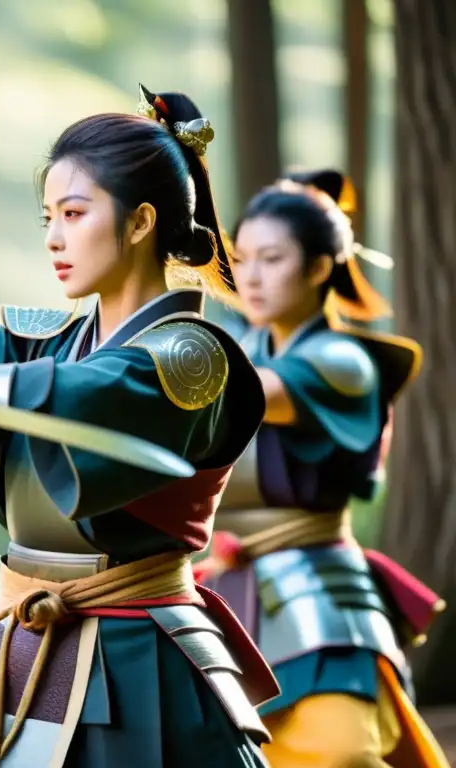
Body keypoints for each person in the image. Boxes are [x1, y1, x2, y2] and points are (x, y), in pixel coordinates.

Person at [0, 84, 279, 768]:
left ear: (138, 223)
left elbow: (91, 397)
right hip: (18, 641)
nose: (53, 238)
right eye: (48, 216)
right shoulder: (49, 343)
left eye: (74, 214)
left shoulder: (191, 355)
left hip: (139, 654)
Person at [198, 169, 449, 767]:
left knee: (336, 752)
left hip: (318, 595)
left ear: (317, 268)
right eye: (242, 258)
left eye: (273, 258)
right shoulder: (239, 347)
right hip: (225, 589)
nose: (250, 276)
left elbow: (240, 392)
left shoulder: (342, 360)